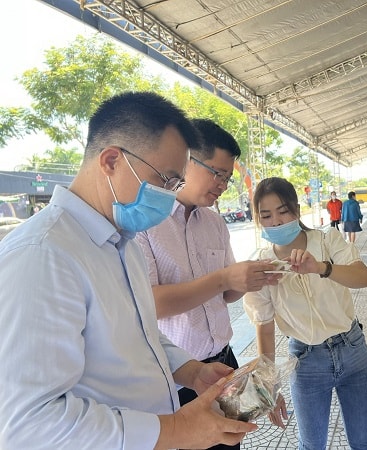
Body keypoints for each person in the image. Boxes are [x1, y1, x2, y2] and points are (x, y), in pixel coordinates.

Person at [0, 92, 257, 449]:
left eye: (176, 184)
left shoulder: (123, 244)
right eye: (165, 180)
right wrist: (174, 430)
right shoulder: (43, 255)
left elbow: (139, 333)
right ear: (111, 161)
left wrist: (190, 370)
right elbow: (29, 422)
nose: (170, 195)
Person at [135, 118, 278, 450]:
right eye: (217, 173)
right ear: (186, 161)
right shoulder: (147, 224)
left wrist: (250, 279)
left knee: (230, 444)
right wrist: (225, 277)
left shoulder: (213, 221)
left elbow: (225, 295)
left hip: (223, 364)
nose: (223, 185)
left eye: (227, 177)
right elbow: (151, 303)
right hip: (178, 374)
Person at [243, 177, 367, 450]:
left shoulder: (328, 241)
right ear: (258, 220)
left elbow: (365, 277)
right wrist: (268, 385)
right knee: (311, 444)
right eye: (266, 215)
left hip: (352, 349)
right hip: (306, 360)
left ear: (296, 210)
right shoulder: (261, 266)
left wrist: (321, 268)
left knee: (363, 439)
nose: (276, 222)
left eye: (283, 211)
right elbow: (264, 327)